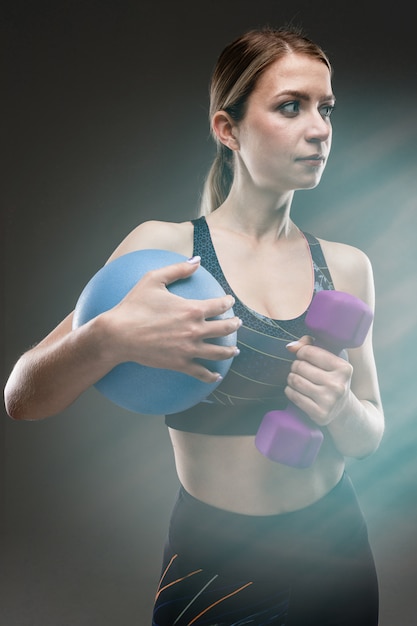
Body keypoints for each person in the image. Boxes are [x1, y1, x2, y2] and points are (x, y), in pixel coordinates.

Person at [4, 26, 384, 626]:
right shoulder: (166, 252)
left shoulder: (345, 267)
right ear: (227, 128)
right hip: (215, 562)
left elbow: (369, 437)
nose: (319, 128)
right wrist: (107, 339)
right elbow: (22, 396)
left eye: (325, 107)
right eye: (291, 106)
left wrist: (340, 410)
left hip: (336, 552)